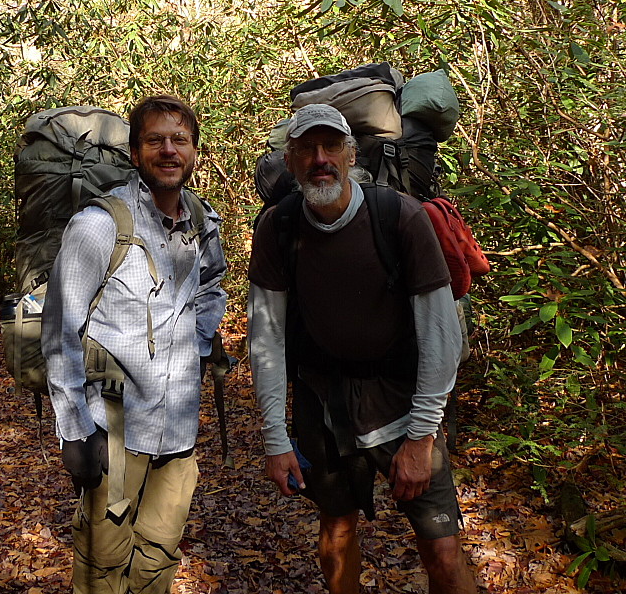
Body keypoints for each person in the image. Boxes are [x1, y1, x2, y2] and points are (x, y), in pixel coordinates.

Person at [247, 104, 476, 593]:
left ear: (351, 155)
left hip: (401, 400)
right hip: (323, 403)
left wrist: (421, 437)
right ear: (289, 161)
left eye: (332, 147)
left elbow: (440, 332)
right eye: (307, 149)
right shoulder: (278, 227)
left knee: (442, 548)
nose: (320, 158)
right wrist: (275, 437)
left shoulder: (398, 216)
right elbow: (265, 335)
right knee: (336, 530)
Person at [42, 94, 227, 594]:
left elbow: (213, 285)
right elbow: (59, 330)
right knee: (103, 566)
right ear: (135, 151)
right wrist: (75, 431)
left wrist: (202, 339)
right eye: (155, 140)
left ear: (194, 151)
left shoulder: (203, 224)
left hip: (179, 428)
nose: (169, 150)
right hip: (115, 429)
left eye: (179, 140)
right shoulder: (100, 225)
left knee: (160, 558)